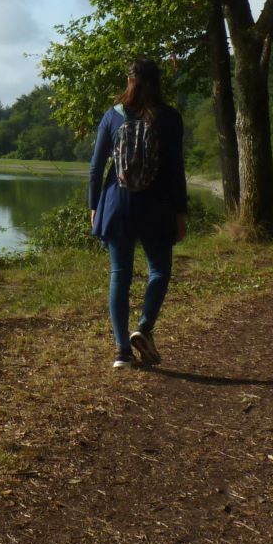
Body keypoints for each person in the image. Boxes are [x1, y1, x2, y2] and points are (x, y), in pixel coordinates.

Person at [88, 58, 189, 369]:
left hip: (117, 205)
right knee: (159, 271)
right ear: (158, 82)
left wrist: (94, 206)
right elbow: (175, 169)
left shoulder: (112, 116)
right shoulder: (170, 117)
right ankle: (143, 328)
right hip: (156, 206)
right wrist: (180, 211)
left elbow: (96, 168)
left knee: (120, 274)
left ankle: (121, 352)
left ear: (128, 81)